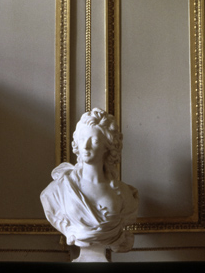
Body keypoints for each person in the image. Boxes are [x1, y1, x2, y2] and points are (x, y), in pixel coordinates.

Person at [40, 108, 139, 259]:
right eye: (81, 139)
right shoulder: (57, 190)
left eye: (94, 140)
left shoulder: (124, 194)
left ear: (108, 146)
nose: (85, 146)